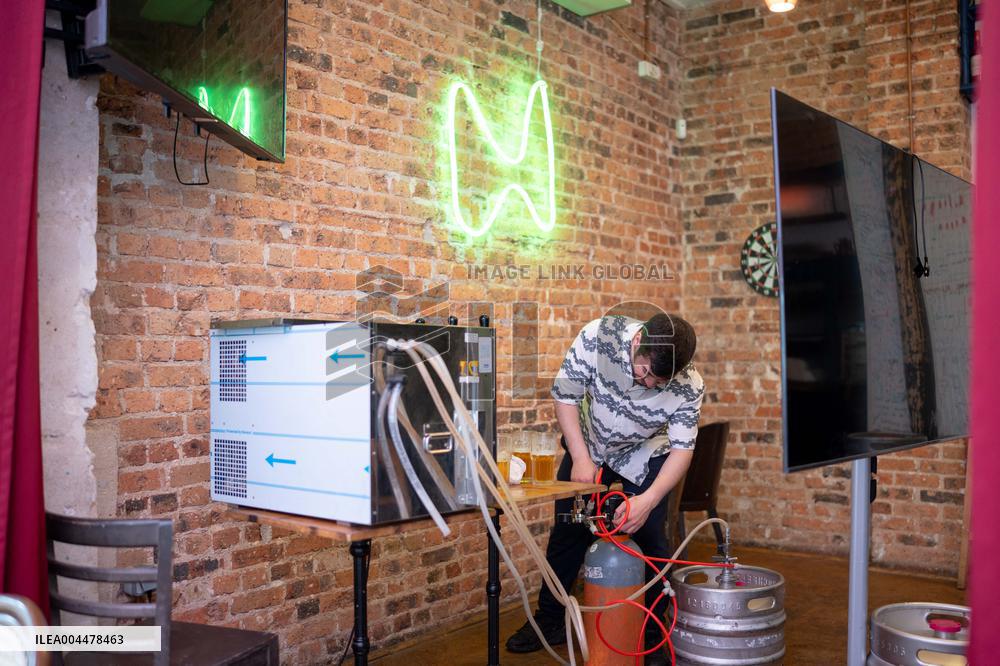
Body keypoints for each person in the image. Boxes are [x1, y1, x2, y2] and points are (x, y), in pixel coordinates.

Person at [505, 313, 704, 666]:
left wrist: (648, 499)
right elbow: (565, 397)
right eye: (645, 371)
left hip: (644, 451)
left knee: (652, 538)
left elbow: (682, 449)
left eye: (659, 382)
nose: (648, 384)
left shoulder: (690, 384)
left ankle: (653, 635)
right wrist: (581, 457)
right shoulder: (598, 337)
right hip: (589, 441)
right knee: (568, 531)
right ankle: (549, 620)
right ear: (638, 341)